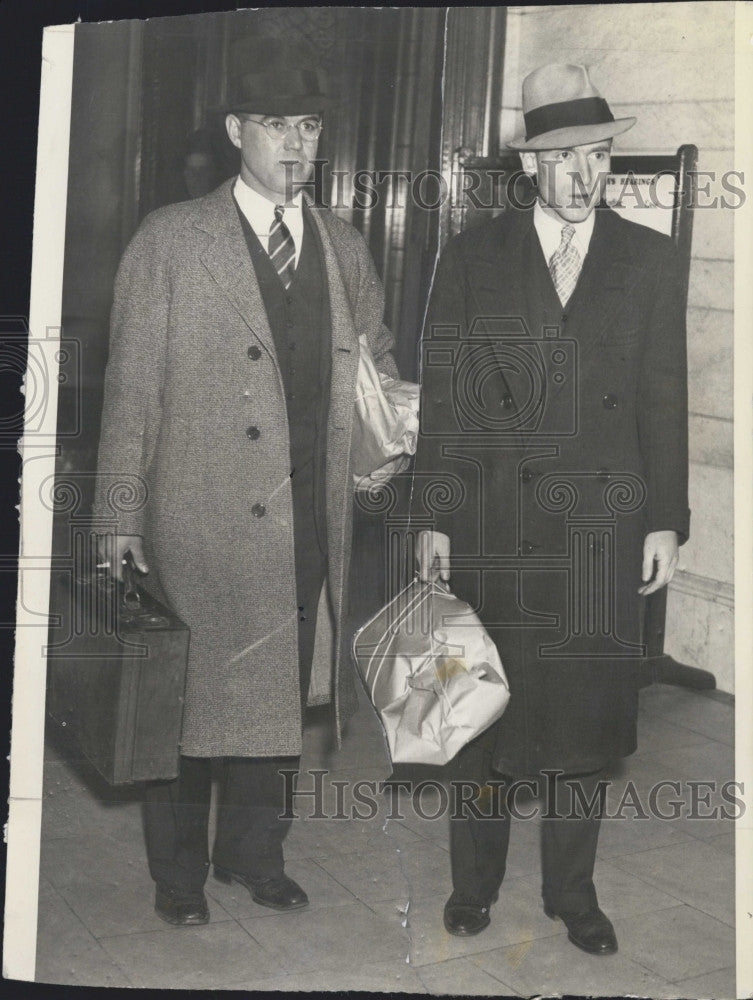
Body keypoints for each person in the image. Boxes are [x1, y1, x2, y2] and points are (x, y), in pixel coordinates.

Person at [94, 38, 399, 926]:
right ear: (237, 132)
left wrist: (389, 439)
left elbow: (373, 368)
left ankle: (254, 859)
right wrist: (118, 510)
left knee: (274, 705)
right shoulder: (173, 238)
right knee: (187, 708)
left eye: (308, 126)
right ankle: (178, 880)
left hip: (304, 517)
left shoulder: (343, 247)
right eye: (275, 126)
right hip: (196, 520)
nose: (295, 144)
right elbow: (131, 386)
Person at [413, 63, 689, 955]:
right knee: (481, 720)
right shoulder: (473, 254)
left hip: (602, 532)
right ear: (530, 165)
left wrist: (663, 518)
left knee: (583, 724)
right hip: (496, 527)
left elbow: (661, 396)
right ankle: (473, 885)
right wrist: (435, 514)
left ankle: (574, 895)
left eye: (599, 155)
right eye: (565, 158)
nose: (584, 175)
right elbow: (446, 399)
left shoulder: (648, 258)